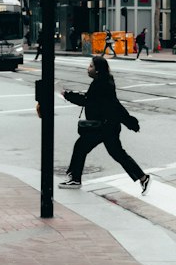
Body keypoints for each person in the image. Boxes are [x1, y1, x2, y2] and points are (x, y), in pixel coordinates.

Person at [59, 55, 151, 192]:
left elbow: (88, 101)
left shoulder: (100, 84)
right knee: (117, 154)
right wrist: (129, 121)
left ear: (97, 70)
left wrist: (68, 95)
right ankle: (143, 178)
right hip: (109, 125)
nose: (88, 68)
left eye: (91, 66)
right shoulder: (104, 81)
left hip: (103, 126)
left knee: (80, 148)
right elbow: (113, 104)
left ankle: (75, 179)